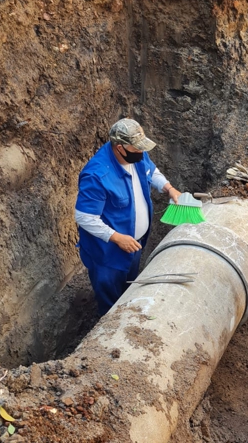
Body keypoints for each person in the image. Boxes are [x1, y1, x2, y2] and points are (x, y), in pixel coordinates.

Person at [75, 118, 181, 316]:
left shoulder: (137, 154)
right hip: (108, 254)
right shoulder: (97, 175)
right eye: (136, 150)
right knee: (110, 300)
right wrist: (117, 237)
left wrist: (169, 188)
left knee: (128, 288)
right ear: (119, 147)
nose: (141, 154)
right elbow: (84, 217)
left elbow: (152, 171)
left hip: (134, 245)